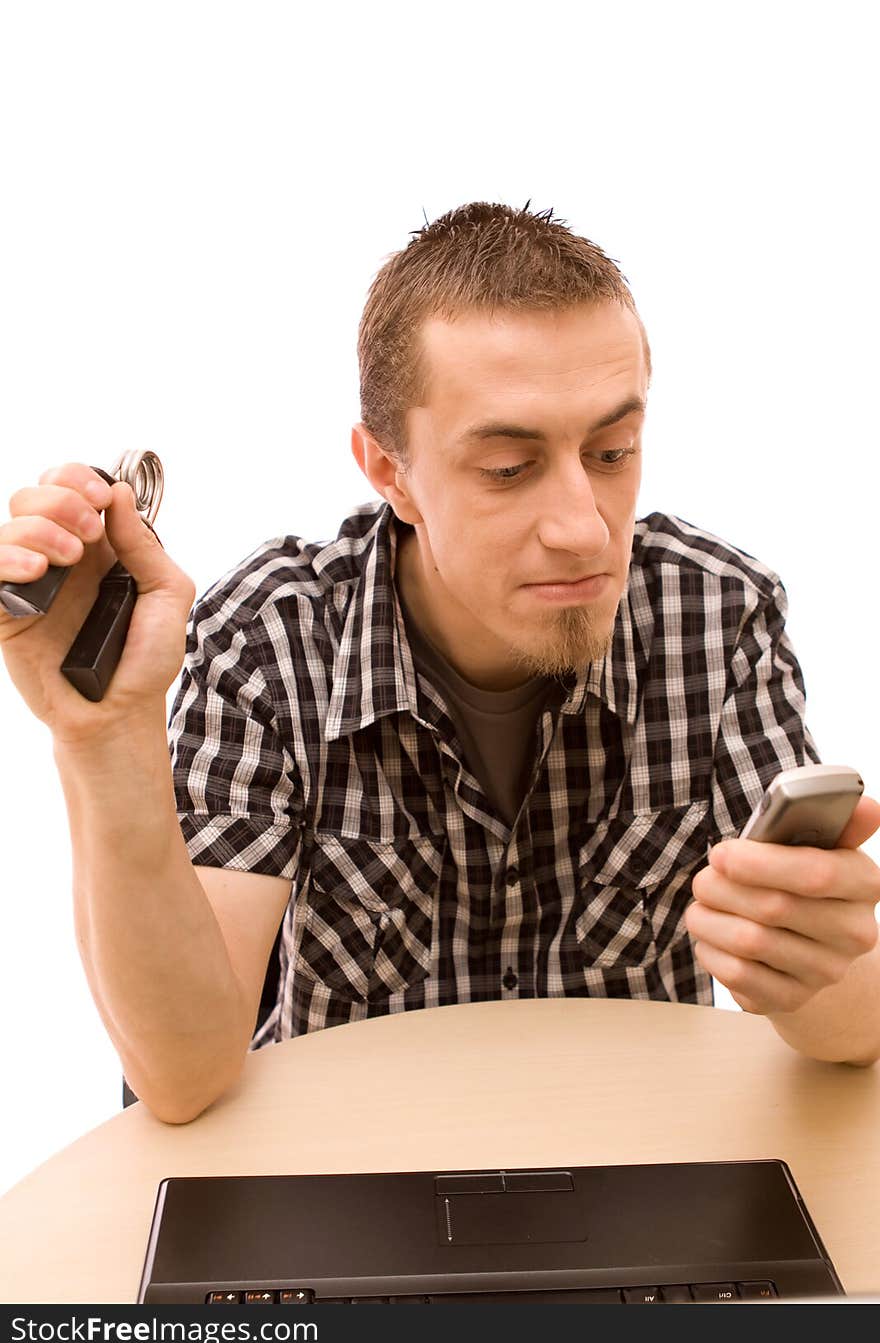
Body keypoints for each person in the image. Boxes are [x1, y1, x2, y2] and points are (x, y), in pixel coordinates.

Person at [2, 201, 879, 1125]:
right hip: (345, 1173)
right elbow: (184, 1077)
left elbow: (849, 1029)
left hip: (643, 1159)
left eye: (614, 450)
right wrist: (101, 734)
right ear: (388, 472)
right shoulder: (271, 636)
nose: (585, 526)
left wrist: (813, 968)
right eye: (508, 467)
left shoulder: (716, 614)